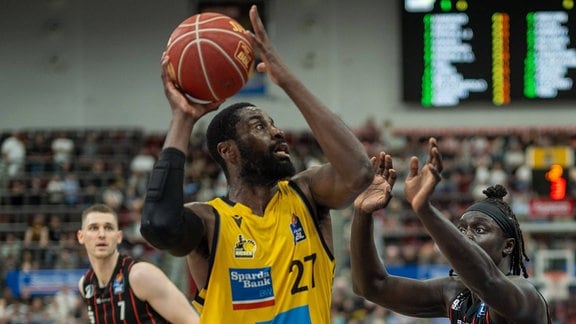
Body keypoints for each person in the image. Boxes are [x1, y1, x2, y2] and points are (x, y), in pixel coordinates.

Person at [139, 5, 373, 323]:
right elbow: (159, 227)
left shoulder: (307, 194)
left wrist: (287, 80)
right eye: (259, 126)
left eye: (273, 123)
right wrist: (183, 118)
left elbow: (359, 173)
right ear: (228, 151)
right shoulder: (210, 221)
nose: (277, 131)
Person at [350, 138, 552, 323]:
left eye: (480, 229)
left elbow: (488, 282)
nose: (466, 236)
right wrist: (362, 213)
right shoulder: (453, 291)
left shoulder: (525, 296)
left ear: (508, 246)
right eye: (461, 230)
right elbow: (370, 286)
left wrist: (424, 209)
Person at [77, 203, 199, 324]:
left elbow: (193, 321)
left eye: (108, 228)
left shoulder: (140, 275)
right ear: (81, 236)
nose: (101, 235)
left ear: (119, 236)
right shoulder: (86, 284)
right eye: (94, 228)